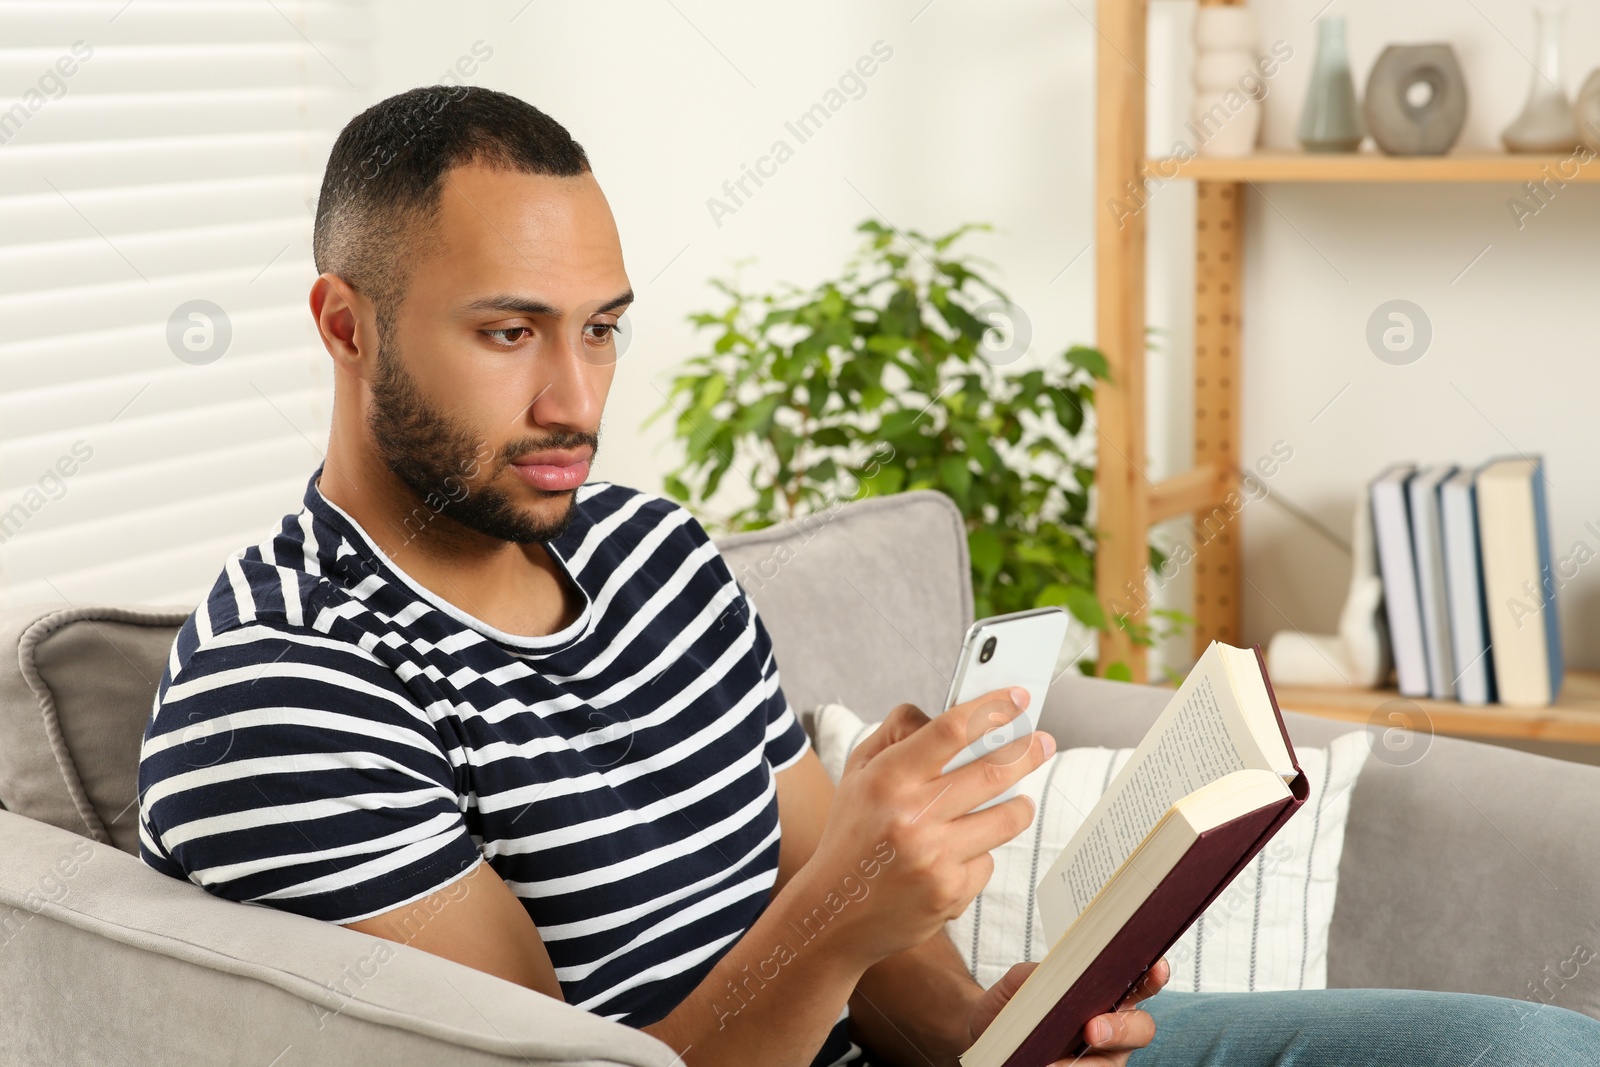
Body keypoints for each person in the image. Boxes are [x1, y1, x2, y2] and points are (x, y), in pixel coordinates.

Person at [136, 86, 1600, 1067]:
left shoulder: (652, 555)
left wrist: (989, 1017)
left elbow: (836, 918)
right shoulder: (284, 690)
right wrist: (845, 905)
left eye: (603, 331)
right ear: (344, 324)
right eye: (511, 334)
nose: (576, 401)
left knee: (1532, 1051)